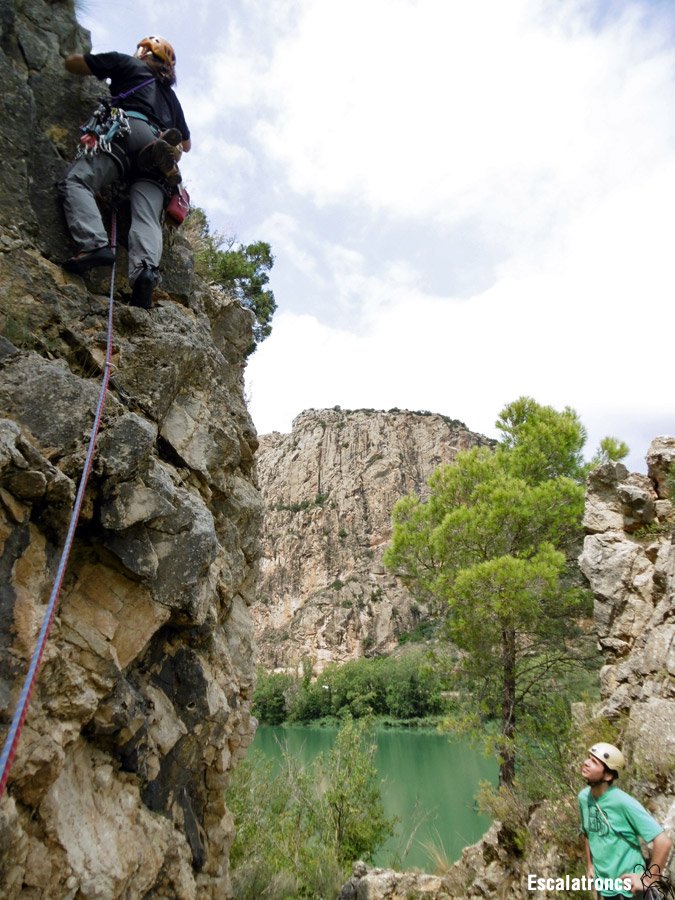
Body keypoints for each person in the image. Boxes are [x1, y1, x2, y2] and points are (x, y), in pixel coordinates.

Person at [58, 35, 191, 308]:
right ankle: (145, 271)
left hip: (125, 129)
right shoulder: (171, 96)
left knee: (77, 181)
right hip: (156, 145)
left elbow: (76, 64)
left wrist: (66, 54)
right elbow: (187, 145)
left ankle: (94, 243)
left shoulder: (127, 63)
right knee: (147, 215)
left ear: (143, 51)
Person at [579, 742, 672, 898]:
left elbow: (663, 842)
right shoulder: (583, 797)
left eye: (594, 762)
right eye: (588, 758)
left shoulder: (622, 802)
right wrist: (590, 865)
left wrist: (648, 880)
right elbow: (588, 833)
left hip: (630, 890)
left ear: (608, 775)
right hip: (606, 887)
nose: (586, 763)